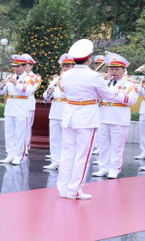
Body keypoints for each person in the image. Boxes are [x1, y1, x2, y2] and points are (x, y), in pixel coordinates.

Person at [57, 39, 119, 200]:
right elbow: (108, 95)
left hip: (69, 115)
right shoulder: (94, 76)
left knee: (68, 153)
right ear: (89, 58)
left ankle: (63, 188)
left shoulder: (66, 74)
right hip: (86, 116)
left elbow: (64, 91)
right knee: (82, 155)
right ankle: (74, 189)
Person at [92, 54, 138, 179]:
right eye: (111, 69)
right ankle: (103, 167)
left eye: (117, 69)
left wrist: (112, 94)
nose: (113, 72)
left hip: (119, 116)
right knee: (103, 143)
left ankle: (114, 169)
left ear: (123, 69)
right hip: (103, 115)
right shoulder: (104, 82)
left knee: (117, 145)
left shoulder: (130, 83)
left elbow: (132, 101)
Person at [0, 55, 36, 165]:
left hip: (22, 108)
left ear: (24, 66)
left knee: (20, 133)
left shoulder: (29, 78)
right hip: (10, 107)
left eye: (18, 66)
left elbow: (27, 91)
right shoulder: (10, 76)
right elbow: (1, 93)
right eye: (14, 66)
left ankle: (19, 155)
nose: (15, 69)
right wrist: (2, 86)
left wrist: (15, 82)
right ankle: (10, 154)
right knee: (9, 133)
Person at [43, 54, 74, 171]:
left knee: (67, 139)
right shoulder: (56, 79)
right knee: (54, 137)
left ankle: (66, 162)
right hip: (55, 109)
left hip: (67, 109)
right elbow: (45, 95)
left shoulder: (73, 79)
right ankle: (55, 161)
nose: (65, 68)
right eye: (64, 66)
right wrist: (49, 92)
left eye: (68, 66)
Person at [22, 54, 41, 155]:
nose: (24, 66)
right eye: (23, 64)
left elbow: (28, 91)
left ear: (31, 65)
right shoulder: (16, 76)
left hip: (28, 105)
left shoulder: (35, 77)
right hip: (17, 105)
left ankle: (25, 148)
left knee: (26, 127)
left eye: (26, 64)